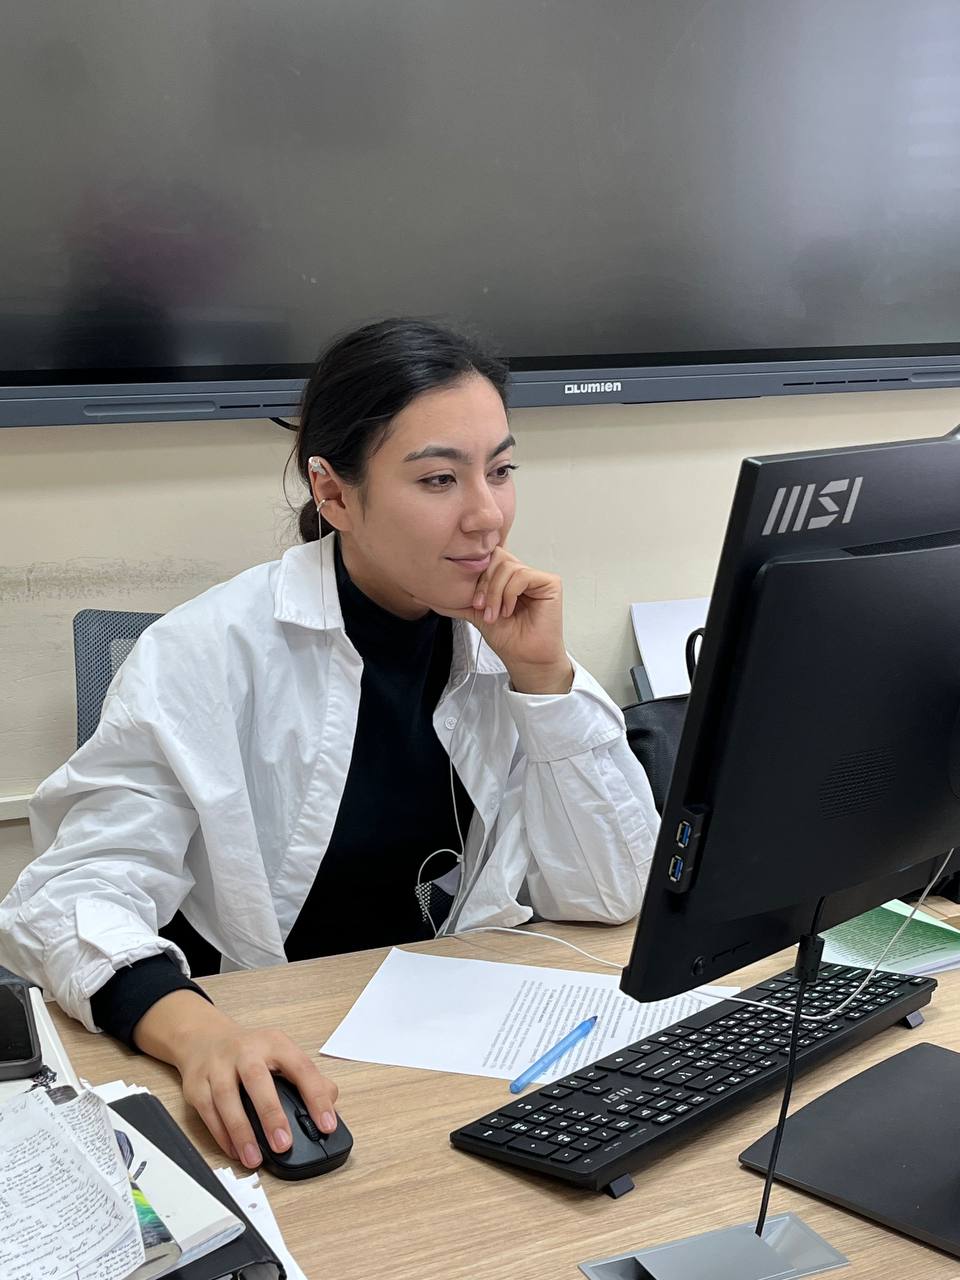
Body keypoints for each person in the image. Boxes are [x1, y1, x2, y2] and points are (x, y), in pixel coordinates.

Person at [0, 317, 659, 1172]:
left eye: (500, 471)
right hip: (269, 1051)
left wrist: (544, 680)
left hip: (451, 1053)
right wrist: (199, 1033)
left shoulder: (506, 643)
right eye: (439, 479)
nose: (487, 516)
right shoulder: (207, 652)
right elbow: (66, 899)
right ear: (334, 493)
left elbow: (612, 892)